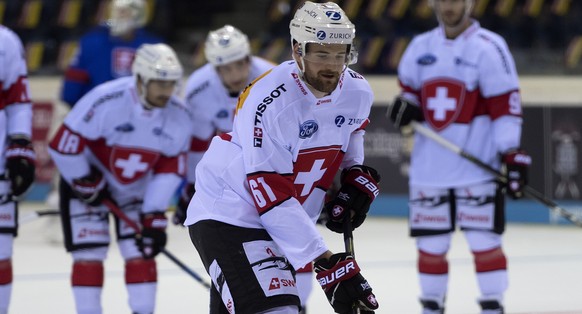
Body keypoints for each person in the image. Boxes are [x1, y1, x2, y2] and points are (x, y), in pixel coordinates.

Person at [184, 2, 381, 313]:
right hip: (231, 213)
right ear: (297, 50)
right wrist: (327, 264)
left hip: (281, 219)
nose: (331, 65)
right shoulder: (269, 101)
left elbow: (353, 131)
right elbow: (270, 195)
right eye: (320, 53)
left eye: (339, 53)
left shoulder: (357, 91)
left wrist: (353, 174)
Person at [386, 0, 531, 313]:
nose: (449, 6)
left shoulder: (490, 47)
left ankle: (493, 306)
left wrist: (511, 152)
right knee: (430, 246)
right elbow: (408, 94)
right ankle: (431, 306)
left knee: (485, 244)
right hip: (429, 170)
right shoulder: (419, 47)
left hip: (478, 169)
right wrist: (405, 108)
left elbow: (506, 106)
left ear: (471, 3)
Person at [48, 43, 190, 314]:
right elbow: (62, 145)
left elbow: (170, 168)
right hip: (90, 187)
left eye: (171, 84)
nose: (167, 91)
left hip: (135, 190)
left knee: (142, 252)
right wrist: (84, 180)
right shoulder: (104, 99)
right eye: (160, 84)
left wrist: (153, 214)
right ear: (140, 79)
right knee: (89, 254)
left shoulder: (180, 115)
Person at [60, 0, 162, 107]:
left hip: (139, 116)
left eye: (125, 11)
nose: (120, 15)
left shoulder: (154, 46)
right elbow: (72, 88)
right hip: (98, 112)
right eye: (117, 11)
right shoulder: (91, 42)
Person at [0, 25, 36, 314]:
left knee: (1, 253)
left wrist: (20, 144)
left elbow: (18, 100)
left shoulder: (6, 41)